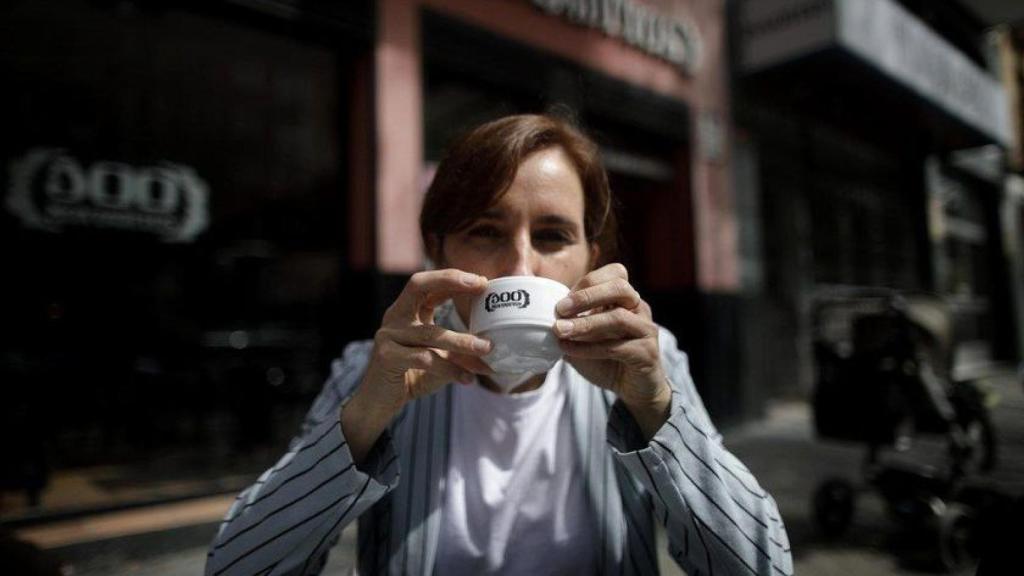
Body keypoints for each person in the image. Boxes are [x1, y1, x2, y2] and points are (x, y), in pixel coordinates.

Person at [205, 114, 793, 575]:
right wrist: (362, 419)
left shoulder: (647, 362)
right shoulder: (374, 370)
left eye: (553, 236)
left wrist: (655, 409)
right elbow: (235, 566)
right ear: (437, 251)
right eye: (485, 232)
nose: (520, 266)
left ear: (590, 259)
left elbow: (763, 567)